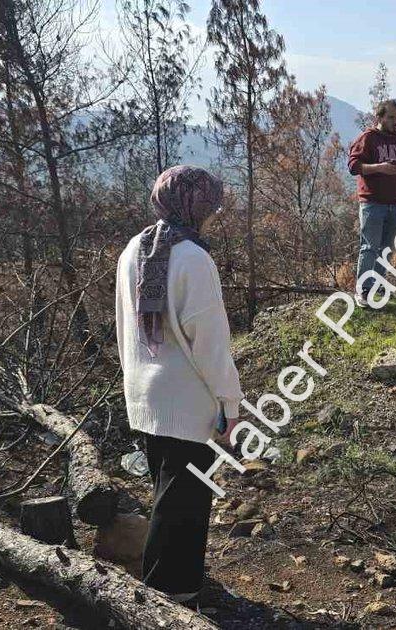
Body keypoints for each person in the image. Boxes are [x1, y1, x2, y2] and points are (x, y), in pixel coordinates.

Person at [114, 165, 244, 602]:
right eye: (211, 205)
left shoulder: (134, 248)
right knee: (184, 505)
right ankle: (170, 596)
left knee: (167, 495)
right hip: (187, 401)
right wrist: (230, 401)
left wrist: (133, 380)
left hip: (144, 392)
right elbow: (210, 342)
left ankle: (174, 585)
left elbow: (123, 324)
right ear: (199, 205)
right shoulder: (193, 258)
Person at [347, 99, 396, 307]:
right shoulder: (368, 138)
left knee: (387, 248)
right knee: (370, 246)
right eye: (391, 118)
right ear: (380, 117)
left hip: (395, 204)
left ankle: (377, 285)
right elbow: (353, 166)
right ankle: (363, 290)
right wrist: (380, 168)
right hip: (373, 203)